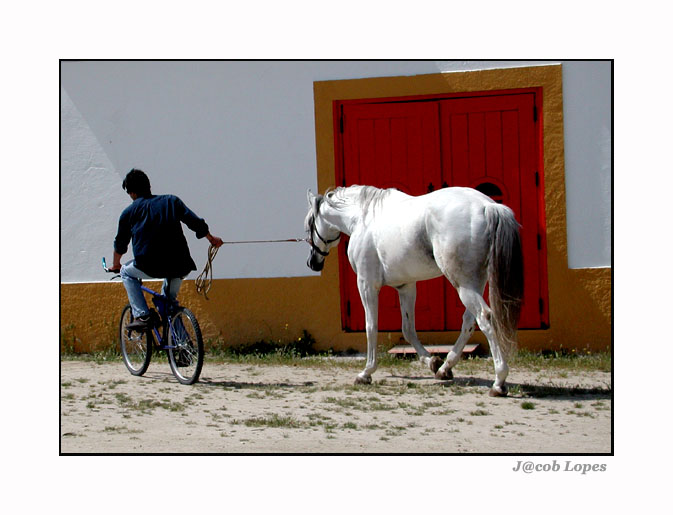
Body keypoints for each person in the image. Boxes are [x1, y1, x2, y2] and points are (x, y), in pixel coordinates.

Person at [110, 169, 223, 330]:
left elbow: (120, 243)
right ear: (149, 186)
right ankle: (182, 346)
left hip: (149, 266)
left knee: (126, 272)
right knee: (169, 304)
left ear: (132, 193)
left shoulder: (129, 212)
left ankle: (143, 315)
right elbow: (194, 222)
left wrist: (116, 264)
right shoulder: (171, 201)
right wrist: (211, 239)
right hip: (180, 265)